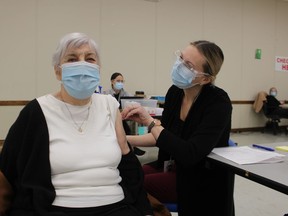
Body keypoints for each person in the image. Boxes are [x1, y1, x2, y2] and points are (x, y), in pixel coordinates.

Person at [0, 32, 153, 216]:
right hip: (58, 208)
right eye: (72, 59)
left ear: (98, 68)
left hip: (116, 205)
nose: (82, 64)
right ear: (58, 71)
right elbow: (8, 171)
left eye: (89, 59)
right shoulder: (37, 111)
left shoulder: (109, 105)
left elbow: (128, 165)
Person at [122, 40, 234, 216]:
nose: (179, 65)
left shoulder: (218, 103)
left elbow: (190, 153)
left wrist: (150, 122)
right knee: (127, 175)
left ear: (205, 78)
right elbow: (162, 136)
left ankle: (159, 210)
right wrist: (123, 139)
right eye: (181, 58)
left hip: (200, 176)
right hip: (173, 166)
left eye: (188, 65)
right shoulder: (175, 92)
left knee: (136, 182)